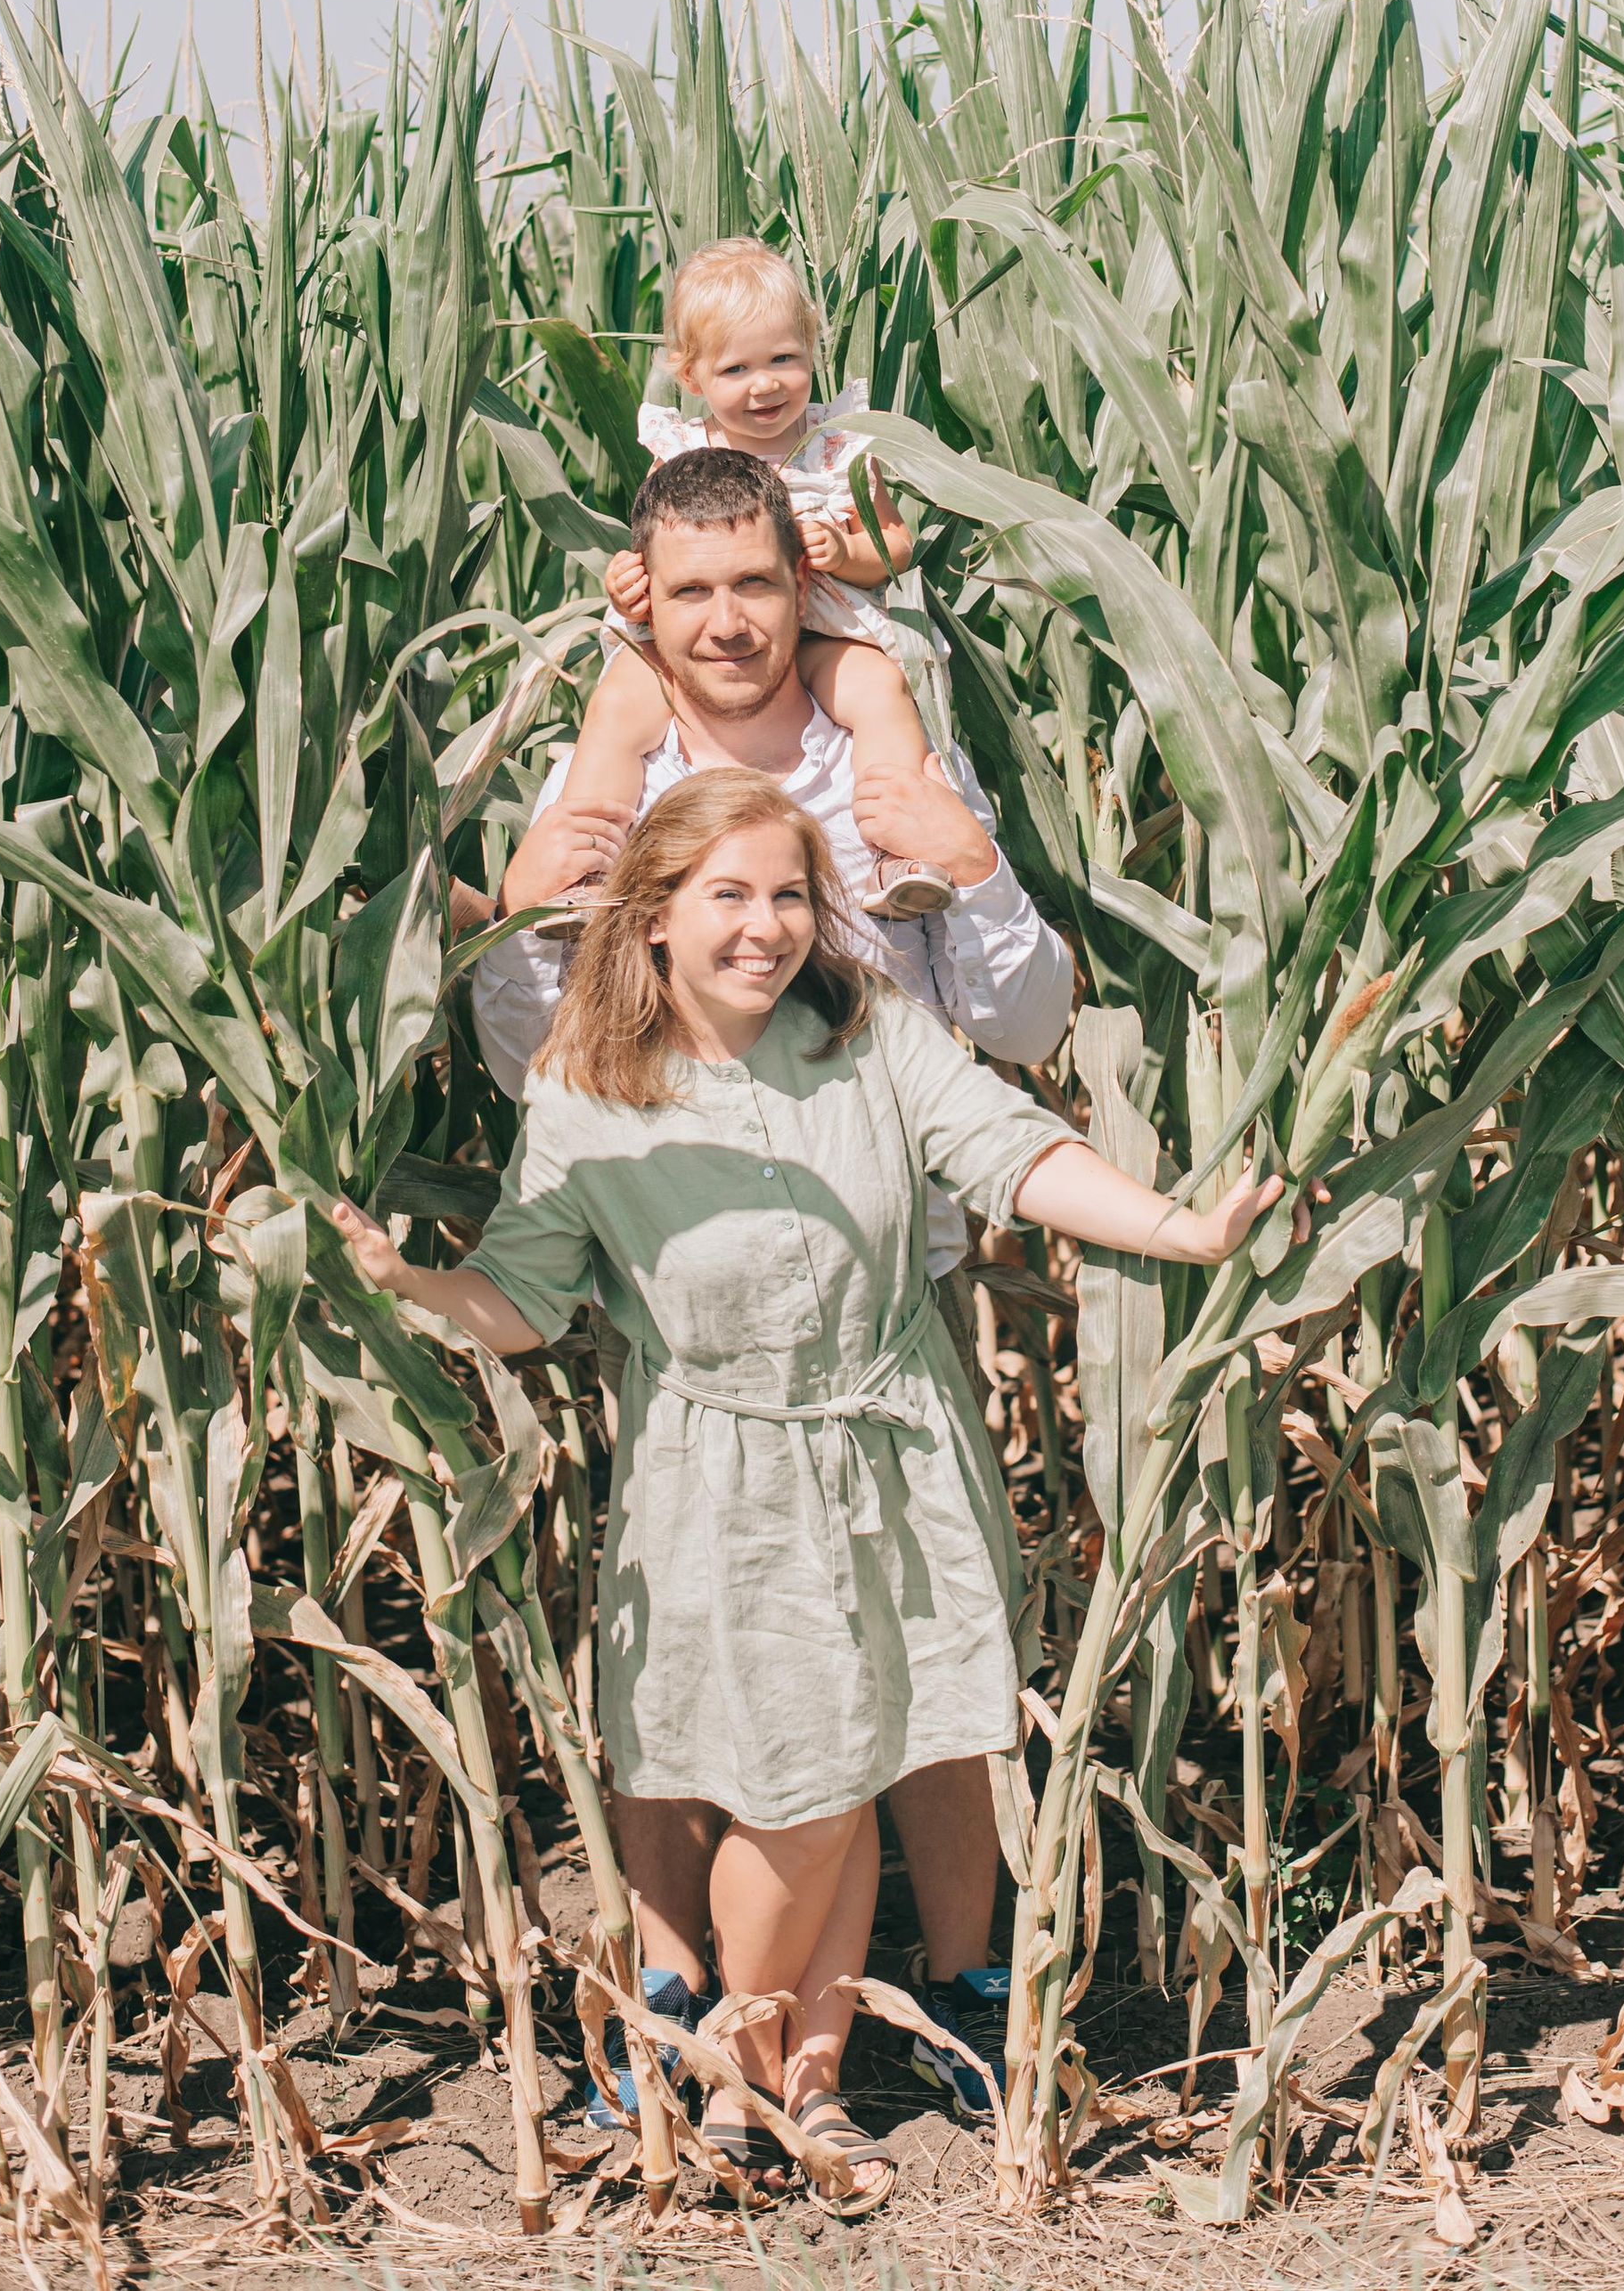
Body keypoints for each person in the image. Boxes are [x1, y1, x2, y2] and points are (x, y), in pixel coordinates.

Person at [339, 772, 1289, 2202]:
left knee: (855, 1774)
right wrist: (408, 1283)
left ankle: (805, 2087)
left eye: (789, 893)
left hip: (898, 1447)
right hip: (724, 1474)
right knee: (792, 1790)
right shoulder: (589, 1095)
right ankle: (728, 2071)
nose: (767, 926)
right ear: (652, 918)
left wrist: (1186, 1232)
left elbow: (1014, 1151)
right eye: (729, 895)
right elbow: (526, 1295)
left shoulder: (874, 1039)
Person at [461, 444, 1073, 2122]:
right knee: (688, 1649)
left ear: (803, 586)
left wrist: (971, 861)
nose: (733, 620)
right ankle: (684, 2003)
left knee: (927, 1652)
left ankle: (955, 1982)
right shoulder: (611, 779)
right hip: (675, 1279)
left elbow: (1021, 1025)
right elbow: (539, 1035)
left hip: (886, 1297)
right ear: (642, 601)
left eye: (762, 584)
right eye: (697, 590)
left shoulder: (885, 747)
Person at [545, 239, 950, 920]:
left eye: (784, 360)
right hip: (706, 641)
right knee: (619, 700)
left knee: (879, 687)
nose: (765, 384)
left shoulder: (839, 447)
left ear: (812, 349)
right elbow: (654, 551)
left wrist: (847, 550)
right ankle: (585, 874)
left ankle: (897, 851)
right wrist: (627, 583)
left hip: (822, 626)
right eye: (737, 368)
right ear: (693, 375)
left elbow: (898, 544)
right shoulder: (682, 451)